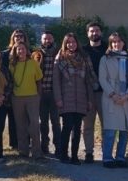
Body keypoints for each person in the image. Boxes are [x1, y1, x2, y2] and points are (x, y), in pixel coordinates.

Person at [98, 32, 128, 168]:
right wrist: (113, 95)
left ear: (123, 43)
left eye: (119, 41)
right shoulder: (105, 59)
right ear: (110, 44)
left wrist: (127, 95)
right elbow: (102, 79)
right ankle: (107, 158)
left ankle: (121, 157)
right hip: (111, 98)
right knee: (110, 131)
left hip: (127, 98)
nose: (116, 44)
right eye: (114, 42)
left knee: (124, 131)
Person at [53, 33, 96, 165]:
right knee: (67, 127)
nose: (71, 44)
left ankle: (75, 156)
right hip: (66, 98)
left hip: (81, 98)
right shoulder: (60, 58)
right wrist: (58, 98)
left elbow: (88, 81)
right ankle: (63, 154)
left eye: (73, 42)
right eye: (69, 42)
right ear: (65, 44)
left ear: (77, 43)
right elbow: (56, 81)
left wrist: (90, 100)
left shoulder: (84, 58)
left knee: (77, 129)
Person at [8, 41, 44, 159]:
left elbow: (39, 80)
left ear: (26, 50)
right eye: (18, 49)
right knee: (20, 125)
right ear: (15, 51)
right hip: (17, 98)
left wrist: (38, 95)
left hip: (32, 97)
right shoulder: (12, 65)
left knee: (34, 124)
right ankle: (23, 151)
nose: (21, 51)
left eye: (23, 48)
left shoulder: (33, 63)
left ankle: (37, 152)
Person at [81, 22, 105, 163]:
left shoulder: (108, 49)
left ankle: (106, 152)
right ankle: (89, 153)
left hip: (105, 93)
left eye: (97, 30)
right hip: (88, 93)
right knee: (87, 125)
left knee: (106, 125)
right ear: (87, 34)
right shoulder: (82, 51)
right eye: (91, 31)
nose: (94, 33)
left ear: (101, 32)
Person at [36, 31, 60, 156]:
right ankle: (44, 145)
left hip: (55, 93)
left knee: (56, 121)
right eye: (45, 39)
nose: (47, 41)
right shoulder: (36, 54)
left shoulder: (59, 53)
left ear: (53, 40)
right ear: (41, 40)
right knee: (43, 122)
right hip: (41, 94)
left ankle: (58, 146)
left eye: (49, 38)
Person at [2, 29, 26, 149]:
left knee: (24, 118)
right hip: (8, 90)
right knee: (11, 117)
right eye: (16, 36)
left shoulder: (29, 53)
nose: (18, 37)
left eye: (21, 36)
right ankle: (13, 143)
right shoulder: (4, 54)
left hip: (24, 90)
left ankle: (24, 142)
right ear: (12, 38)